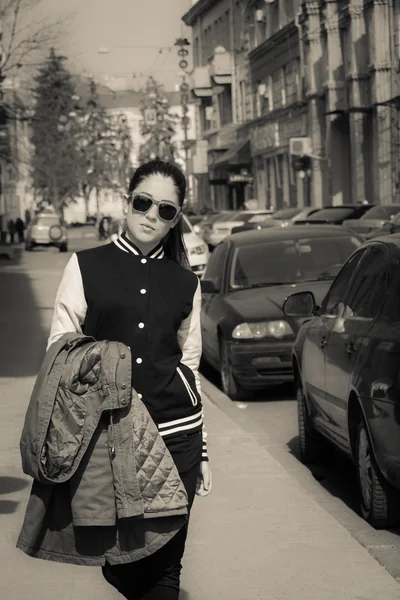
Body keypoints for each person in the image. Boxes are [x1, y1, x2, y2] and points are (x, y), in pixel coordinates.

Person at [47, 159, 212, 600]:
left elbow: (190, 367)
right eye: (143, 203)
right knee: (121, 565)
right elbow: (59, 352)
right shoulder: (85, 266)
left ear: (175, 219)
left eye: (166, 210)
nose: (151, 216)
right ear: (126, 204)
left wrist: (204, 449)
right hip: (108, 437)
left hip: (177, 436)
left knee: (166, 568)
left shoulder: (185, 282)